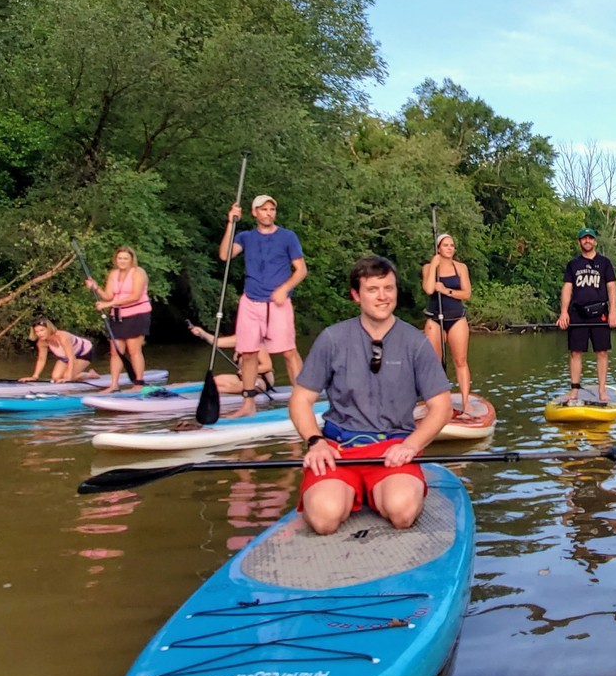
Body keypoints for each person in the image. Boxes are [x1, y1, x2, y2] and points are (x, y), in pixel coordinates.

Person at [288, 255, 453, 536]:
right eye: (373, 290)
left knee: (402, 512)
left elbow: (441, 408)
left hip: (393, 451)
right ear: (356, 295)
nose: (382, 297)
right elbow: (300, 399)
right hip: (338, 451)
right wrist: (315, 442)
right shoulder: (332, 339)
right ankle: (347, 494)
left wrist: (411, 446)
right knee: (324, 519)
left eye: (388, 288)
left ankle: (381, 494)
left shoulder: (417, 343)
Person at [219, 194, 307, 417]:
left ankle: (301, 401)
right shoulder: (246, 237)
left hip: (277, 304)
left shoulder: (287, 237)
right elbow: (225, 255)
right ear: (254, 212)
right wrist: (231, 222)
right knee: (248, 353)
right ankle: (248, 405)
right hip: (251, 302)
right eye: (264, 209)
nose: (269, 213)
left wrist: (284, 288)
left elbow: (301, 270)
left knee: (288, 351)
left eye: (272, 209)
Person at [556, 227, 616, 403]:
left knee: (602, 352)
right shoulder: (573, 264)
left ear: (595, 241)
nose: (587, 241)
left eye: (590, 238)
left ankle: (602, 390)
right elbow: (567, 288)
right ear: (579, 242)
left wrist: (613, 311)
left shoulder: (605, 263)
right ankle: (574, 391)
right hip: (578, 313)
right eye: (584, 238)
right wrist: (563, 313)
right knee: (575, 352)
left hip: (600, 313)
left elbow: (612, 287)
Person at [84, 245, 151, 389]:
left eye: (125, 258)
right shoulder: (113, 274)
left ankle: (138, 383)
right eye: (120, 258)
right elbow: (108, 296)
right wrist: (96, 287)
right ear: (116, 259)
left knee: (134, 350)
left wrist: (110, 304)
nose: (122, 261)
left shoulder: (138, 273)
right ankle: (114, 385)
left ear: (131, 260)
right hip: (118, 316)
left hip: (137, 314)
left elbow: (135, 296)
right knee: (115, 352)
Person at [422, 233, 473, 409]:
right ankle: (438, 403)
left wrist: (446, 290)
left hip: (456, 317)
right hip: (435, 319)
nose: (450, 248)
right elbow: (428, 289)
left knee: (460, 361)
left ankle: (466, 403)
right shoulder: (429, 267)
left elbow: (466, 294)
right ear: (438, 248)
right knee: (434, 362)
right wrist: (434, 265)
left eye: (452, 245)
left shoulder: (461, 267)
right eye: (446, 245)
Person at [187, 322, 276, 396]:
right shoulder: (238, 339)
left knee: (247, 385)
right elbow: (216, 342)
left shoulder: (258, 344)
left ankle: (217, 391)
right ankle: (216, 389)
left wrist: (248, 371)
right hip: (242, 378)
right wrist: (202, 333)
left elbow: (267, 366)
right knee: (214, 381)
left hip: (260, 381)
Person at [22, 318, 97, 383]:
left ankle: (90, 375)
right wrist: (35, 376)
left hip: (83, 353)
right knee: (56, 377)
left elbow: (71, 357)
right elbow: (41, 360)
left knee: (67, 376)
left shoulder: (62, 337)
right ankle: (83, 374)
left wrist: (69, 378)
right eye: (37, 332)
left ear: (49, 329)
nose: (39, 334)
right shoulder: (41, 343)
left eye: (42, 330)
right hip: (65, 357)